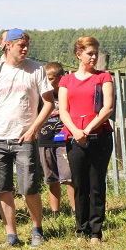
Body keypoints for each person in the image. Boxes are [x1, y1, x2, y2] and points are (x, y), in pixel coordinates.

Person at [0, 28, 54, 248]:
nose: (25, 49)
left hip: (23, 138)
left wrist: (33, 128)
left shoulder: (36, 69)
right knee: (2, 189)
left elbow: (49, 103)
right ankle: (11, 236)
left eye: (27, 45)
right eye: (20, 45)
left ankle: (37, 230)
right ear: (8, 45)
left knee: (29, 188)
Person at [59, 38, 114, 244]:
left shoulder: (103, 77)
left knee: (96, 183)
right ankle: (81, 229)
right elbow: (63, 110)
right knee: (79, 183)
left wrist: (88, 129)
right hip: (74, 138)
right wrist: (75, 131)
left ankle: (95, 232)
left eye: (96, 53)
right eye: (90, 53)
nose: (94, 57)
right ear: (78, 54)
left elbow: (107, 108)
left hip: (99, 136)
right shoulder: (66, 80)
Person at [38, 62, 75, 217]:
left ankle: (75, 210)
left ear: (61, 78)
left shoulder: (67, 95)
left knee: (68, 177)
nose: (47, 82)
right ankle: (55, 212)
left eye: (51, 79)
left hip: (64, 141)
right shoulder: (40, 97)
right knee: (51, 178)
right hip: (45, 140)